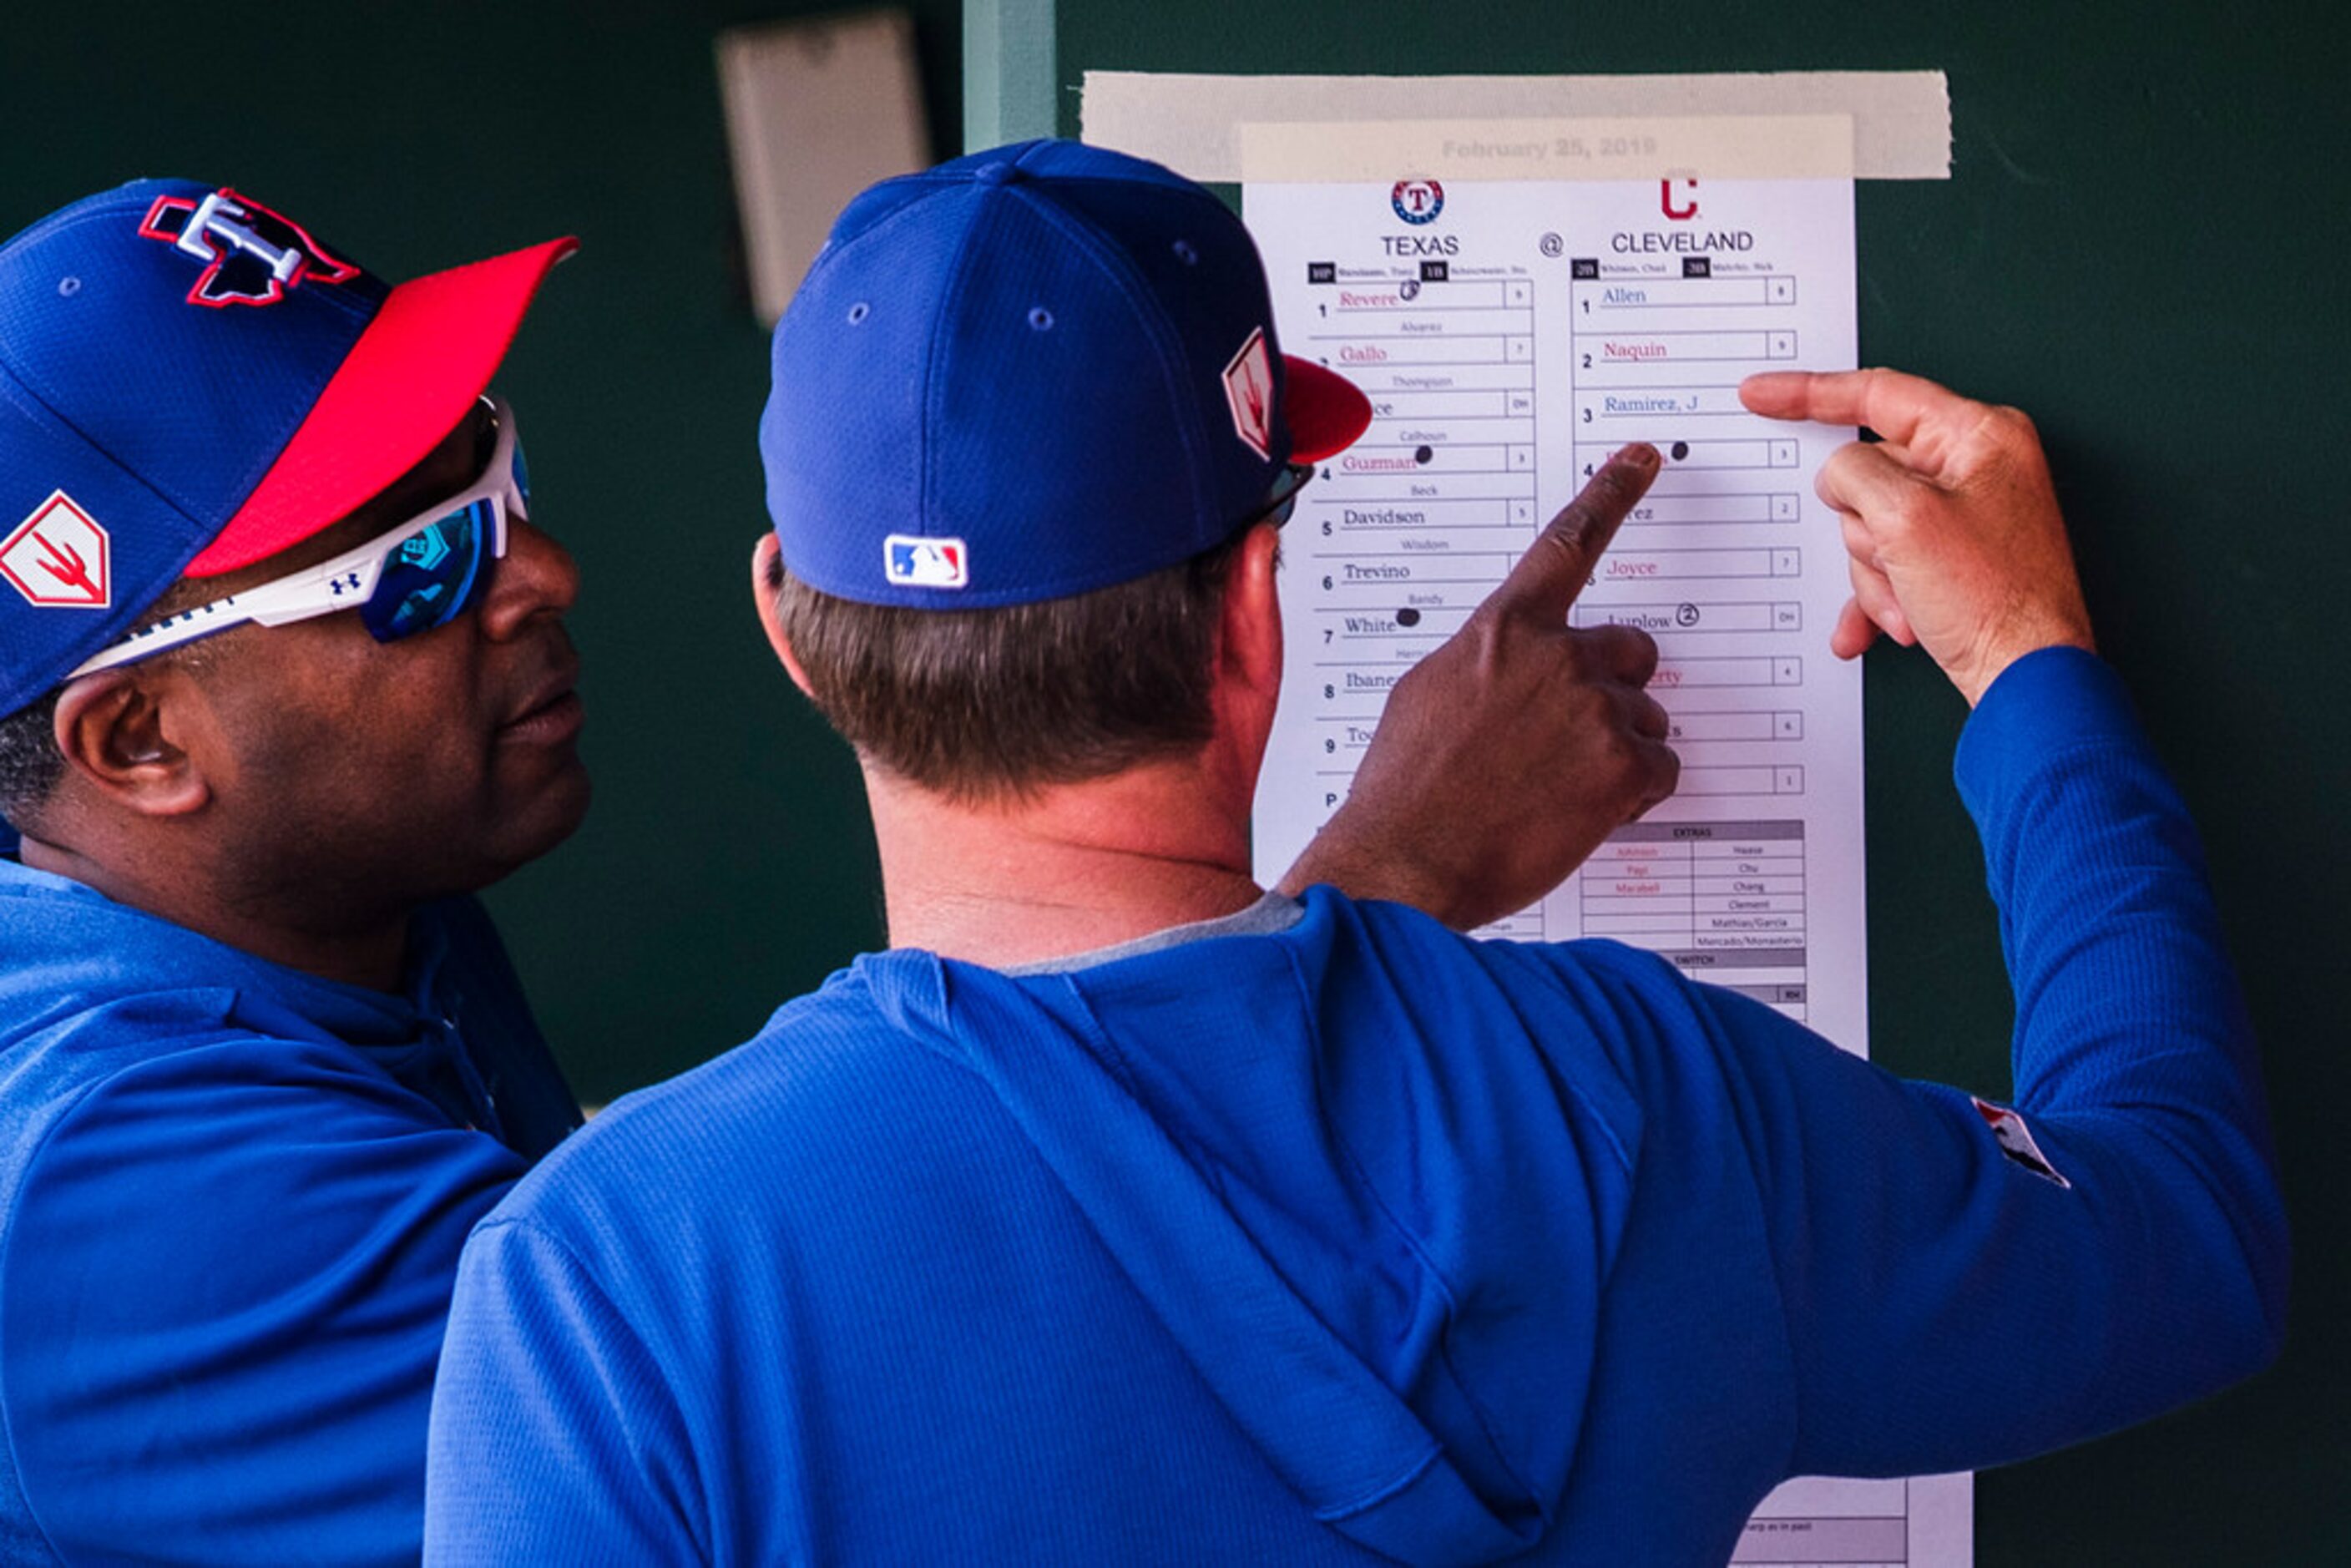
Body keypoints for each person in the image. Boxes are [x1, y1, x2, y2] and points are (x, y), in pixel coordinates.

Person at [425, 140, 2288, 1565]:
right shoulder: (1642, 1107)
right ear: (1256, 605)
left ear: (790, 628)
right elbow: (2185, 1241)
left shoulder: (607, 1289)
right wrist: (2026, 665)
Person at [0, 177, 1669, 1563]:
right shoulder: (112, 1184)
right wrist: (1391, 881)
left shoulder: (324, 913)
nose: (547, 571)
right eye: (424, 561)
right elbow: (948, 1394)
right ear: (140, 744)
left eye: (494, 473)